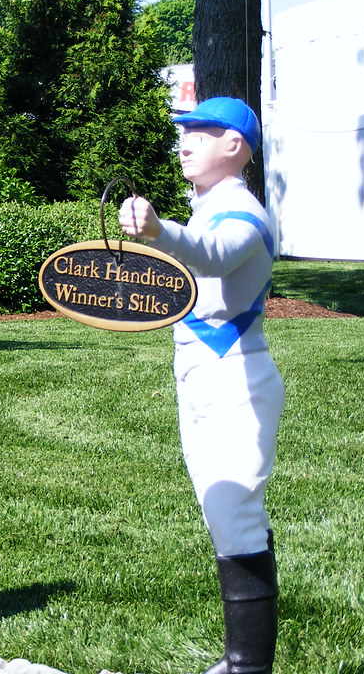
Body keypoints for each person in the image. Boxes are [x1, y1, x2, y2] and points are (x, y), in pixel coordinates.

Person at [118, 97, 283, 674]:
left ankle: (248, 666)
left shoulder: (243, 213)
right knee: (223, 513)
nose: (184, 141)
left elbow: (210, 258)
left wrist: (160, 231)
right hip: (202, 375)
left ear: (234, 146)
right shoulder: (212, 208)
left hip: (237, 376)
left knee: (233, 509)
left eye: (200, 132)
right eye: (183, 132)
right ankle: (241, 659)